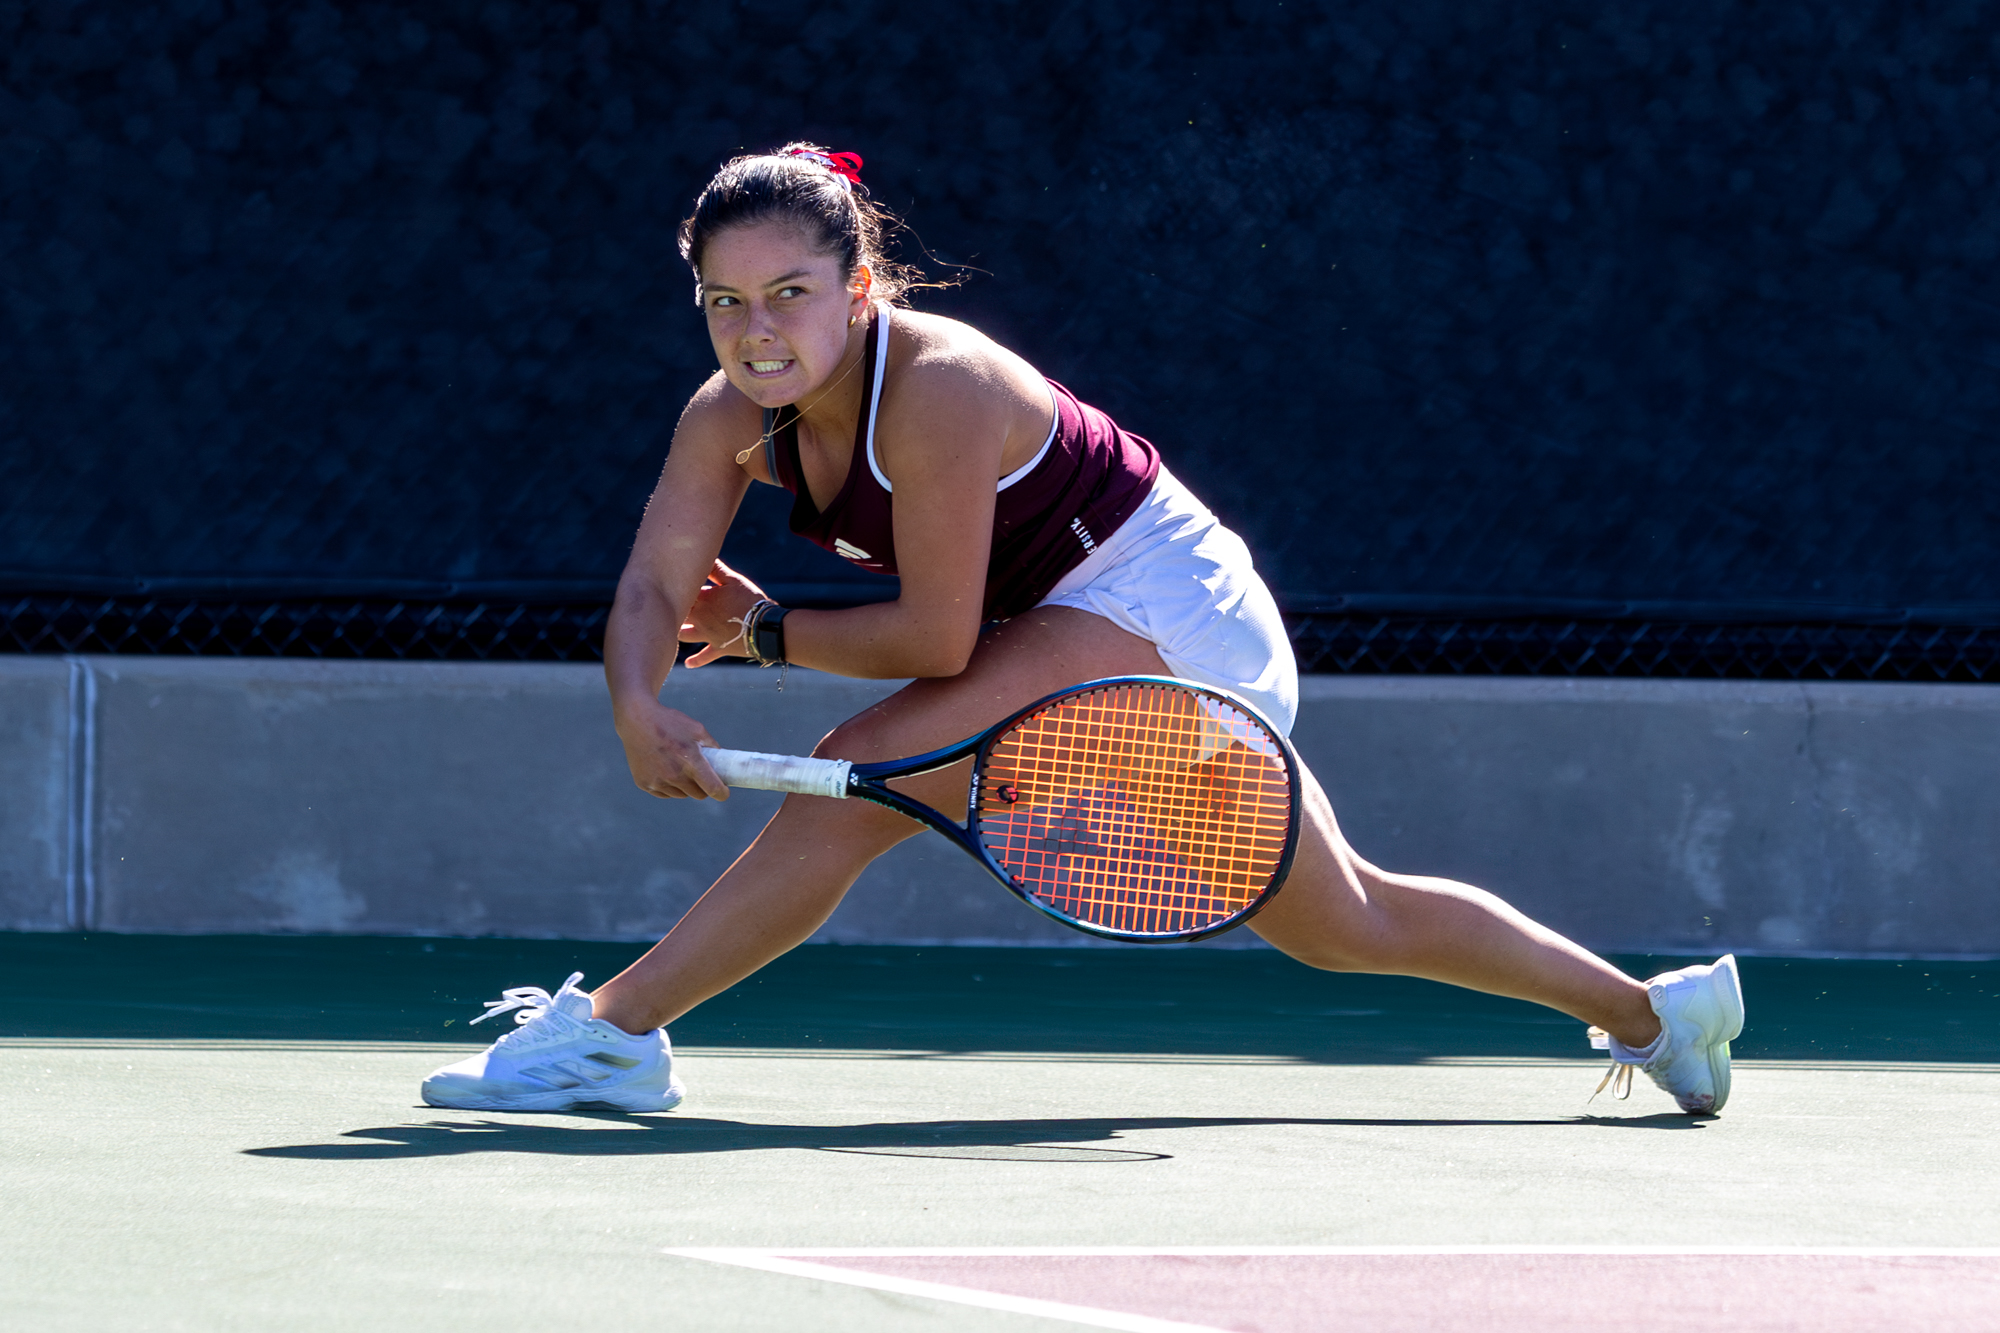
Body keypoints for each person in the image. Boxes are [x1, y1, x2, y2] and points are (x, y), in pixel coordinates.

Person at [421, 144, 1744, 1116]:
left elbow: (941, 641)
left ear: (859, 286)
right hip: (1063, 620)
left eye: (789, 293)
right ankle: (1659, 1014)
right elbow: (655, 583)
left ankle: (614, 1033)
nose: (757, 329)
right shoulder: (725, 414)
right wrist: (636, 704)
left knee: (862, 771)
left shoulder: (936, 389)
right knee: (1348, 920)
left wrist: (769, 638)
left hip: (1169, 611)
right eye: (725, 299)